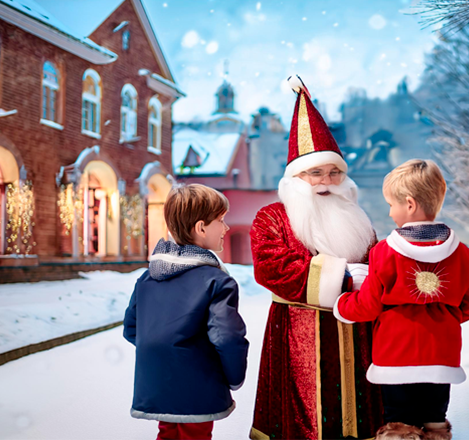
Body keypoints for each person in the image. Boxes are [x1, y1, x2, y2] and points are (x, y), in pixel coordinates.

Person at [249, 75, 383, 440]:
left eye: (334, 172)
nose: (326, 181)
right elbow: (271, 268)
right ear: (296, 177)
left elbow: (378, 262)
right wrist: (343, 279)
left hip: (358, 334)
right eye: (315, 173)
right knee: (304, 420)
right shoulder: (272, 217)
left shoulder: (360, 218)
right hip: (298, 335)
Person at [334, 159, 469, 440]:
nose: (390, 213)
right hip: (442, 353)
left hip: (396, 354)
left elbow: (368, 305)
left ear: (410, 204)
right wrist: (446, 318)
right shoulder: (463, 254)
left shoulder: (384, 252)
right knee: (434, 420)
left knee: (399, 423)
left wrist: (341, 304)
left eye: (392, 204)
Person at [123, 184, 249, 440]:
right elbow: (227, 338)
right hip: (198, 385)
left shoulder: (148, 278)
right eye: (221, 220)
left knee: (167, 434)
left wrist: (166, 355)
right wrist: (234, 378)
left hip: (157, 383)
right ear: (201, 228)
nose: (226, 228)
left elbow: (132, 329)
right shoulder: (217, 281)